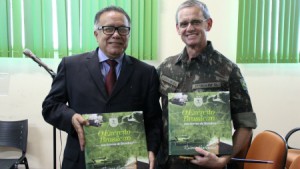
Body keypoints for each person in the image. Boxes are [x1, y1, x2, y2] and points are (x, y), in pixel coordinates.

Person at [42, 6, 162, 169]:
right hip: (81, 161)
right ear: (96, 33)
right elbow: (50, 106)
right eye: (108, 29)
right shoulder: (71, 66)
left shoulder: (146, 73)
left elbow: (154, 120)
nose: (116, 34)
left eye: (123, 29)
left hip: (128, 162)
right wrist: (70, 117)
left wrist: (151, 150)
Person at [156, 0, 257, 169]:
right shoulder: (166, 68)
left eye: (196, 22)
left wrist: (223, 160)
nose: (190, 28)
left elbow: (246, 124)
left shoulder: (228, 69)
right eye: (184, 24)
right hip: (167, 164)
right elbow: (148, 111)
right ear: (177, 29)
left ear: (208, 24)